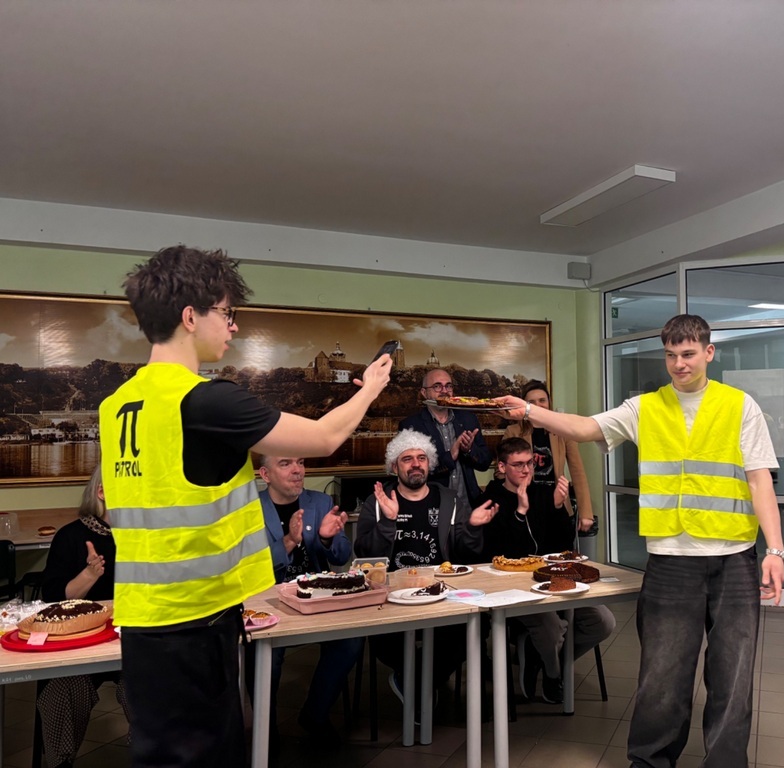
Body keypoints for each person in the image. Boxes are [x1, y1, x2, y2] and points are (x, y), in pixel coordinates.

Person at [98, 245, 391, 767]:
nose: (233, 326)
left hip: (143, 619)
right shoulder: (204, 400)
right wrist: (369, 389)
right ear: (190, 317)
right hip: (194, 620)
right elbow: (324, 437)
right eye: (227, 312)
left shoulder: (116, 404)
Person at [497, 314, 784, 768]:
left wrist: (775, 550)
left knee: (733, 675)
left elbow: (759, 480)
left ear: (709, 353)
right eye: (671, 355)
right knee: (662, 675)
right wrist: (529, 411)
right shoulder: (644, 407)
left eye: (688, 354)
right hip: (671, 561)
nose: (679, 363)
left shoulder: (739, 405)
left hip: (734, 559)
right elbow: (584, 427)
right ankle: (650, 762)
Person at [353, 429, 494, 706]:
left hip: (442, 596)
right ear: (395, 467)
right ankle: (421, 684)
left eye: (422, 458)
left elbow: (468, 553)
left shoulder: (449, 500)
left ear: (430, 463)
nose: (416, 464)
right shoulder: (378, 502)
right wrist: (388, 521)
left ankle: (414, 683)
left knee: (473, 629)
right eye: (407, 459)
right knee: (384, 641)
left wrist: (473, 528)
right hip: (390, 601)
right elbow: (365, 554)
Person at [478, 437, 615, 704]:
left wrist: (557, 508)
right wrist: (520, 513)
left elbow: (562, 546)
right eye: (518, 465)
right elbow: (498, 553)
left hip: (552, 580)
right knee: (551, 628)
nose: (526, 470)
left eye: (530, 463)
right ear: (502, 467)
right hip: (512, 588)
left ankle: (541, 657)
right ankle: (552, 675)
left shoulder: (543, 493)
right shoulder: (490, 500)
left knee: (602, 621)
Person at [252, 455, 363, 736]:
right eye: (286, 464)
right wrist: (289, 541)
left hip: (317, 599)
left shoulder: (321, 502)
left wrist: (326, 538)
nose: (297, 470)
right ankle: (265, 731)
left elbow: (341, 556)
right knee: (264, 654)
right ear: (265, 474)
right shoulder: (250, 509)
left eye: (300, 462)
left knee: (350, 641)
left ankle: (315, 715)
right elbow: (249, 564)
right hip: (269, 602)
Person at [37, 468, 129, 768]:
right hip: (81, 642)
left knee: (151, 682)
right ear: (102, 492)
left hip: (130, 639)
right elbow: (52, 599)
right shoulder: (71, 537)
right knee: (64, 689)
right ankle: (60, 763)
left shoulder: (144, 536)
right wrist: (89, 575)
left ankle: (155, 754)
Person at [501, 380, 595, 532]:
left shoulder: (563, 430)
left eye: (542, 400)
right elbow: (502, 472)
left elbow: (577, 471)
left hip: (557, 504)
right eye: (531, 402)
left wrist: (586, 513)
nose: (537, 405)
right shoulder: (513, 431)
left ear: (549, 402)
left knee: (561, 546)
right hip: (526, 504)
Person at [399, 368, 492, 508]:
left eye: (448, 386)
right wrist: (450, 456)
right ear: (424, 392)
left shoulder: (468, 419)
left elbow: (485, 463)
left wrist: (469, 450)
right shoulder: (410, 426)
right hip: (432, 507)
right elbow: (412, 472)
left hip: (468, 507)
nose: (444, 391)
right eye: (437, 386)